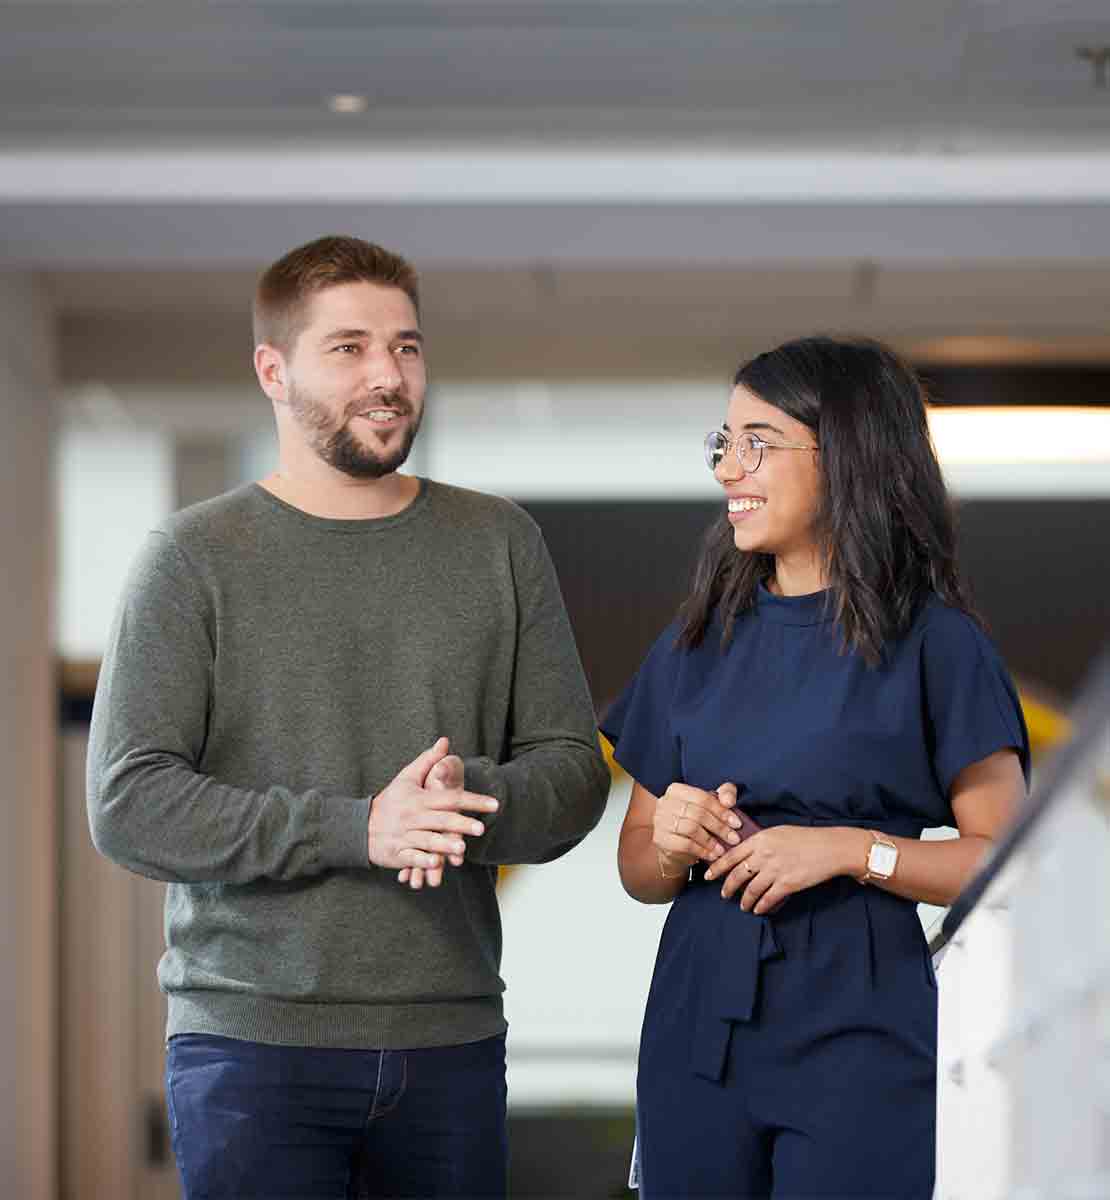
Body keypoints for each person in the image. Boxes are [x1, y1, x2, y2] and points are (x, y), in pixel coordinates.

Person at [87, 235, 609, 1199]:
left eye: (406, 348)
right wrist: (361, 826)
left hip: (450, 1041)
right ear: (272, 370)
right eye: (350, 348)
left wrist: (464, 799)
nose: (388, 376)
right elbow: (129, 801)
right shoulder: (191, 556)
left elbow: (573, 773)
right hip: (250, 1046)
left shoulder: (498, 542)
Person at [603, 336, 1029, 1199]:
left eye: (758, 441)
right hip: (695, 1025)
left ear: (847, 454)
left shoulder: (938, 645)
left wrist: (850, 850)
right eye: (723, 443)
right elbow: (639, 866)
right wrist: (672, 839)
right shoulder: (695, 641)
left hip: (861, 1027)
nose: (729, 469)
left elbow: (1007, 864)